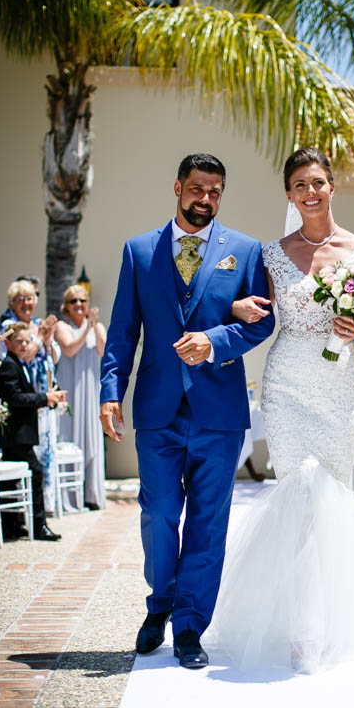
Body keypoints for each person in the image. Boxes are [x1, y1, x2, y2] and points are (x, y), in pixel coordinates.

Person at [208, 147, 354, 673]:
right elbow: (252, 312)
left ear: (332, 188)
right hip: (286, 387)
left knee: (333, 500)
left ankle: (331, 620)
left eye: (318, 182)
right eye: (299, 185)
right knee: (300, 494)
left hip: (338, 386)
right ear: (289, 194)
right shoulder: (273, 254)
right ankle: (298, 626)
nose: (310, 192)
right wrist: (232, 310)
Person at [100, 153, 275, 670]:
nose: (206, 199)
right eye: (198, 189)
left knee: (208, 520)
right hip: (157, 407)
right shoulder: (138, 251)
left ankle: (190, 627)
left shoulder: (245, 251)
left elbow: (262, 323)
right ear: (178, 187)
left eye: (216, 191)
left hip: (217, 410)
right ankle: (161, 603)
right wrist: (112, 390)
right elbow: (123, 329)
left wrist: (216, 339)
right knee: (157, 514)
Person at [0, 321, 67, 541]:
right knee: (36, 473)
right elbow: (15, 398)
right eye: (19, 342)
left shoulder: (19, 364)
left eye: (27, 341)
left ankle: (11, 525)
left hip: (20, 434)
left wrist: (50, 398)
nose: (24, 345)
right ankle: (38, 525)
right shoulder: (9, 366)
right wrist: (45, 398)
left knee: (11, 480)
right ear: (7, 343)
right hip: (16, 434)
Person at [0, 280, 60, 514]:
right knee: (34, 461)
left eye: (30, 298)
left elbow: (54, 357)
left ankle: (46, 506)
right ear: (12, 303)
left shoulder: (37, 324)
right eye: (21, 299)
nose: (26, 303)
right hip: (27, 399)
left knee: (47, 453)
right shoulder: (9, 326)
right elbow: (21, 356)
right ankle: (30, 515)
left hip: (43, 395)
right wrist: (36, 339)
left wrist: (47, 339)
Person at [54, 285, 107, 510]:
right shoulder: (61, 326)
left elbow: (105, 350)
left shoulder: (98, 327)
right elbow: (69, 349)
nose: (78, 305)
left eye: (82, 300)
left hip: (91, 389)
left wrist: (94, 327)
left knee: (93, 440)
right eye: (73, 301)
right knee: (69, 436)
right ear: (66, 306)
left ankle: (92, 496)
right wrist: (87, 328)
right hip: (69, 388)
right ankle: (69, 497)